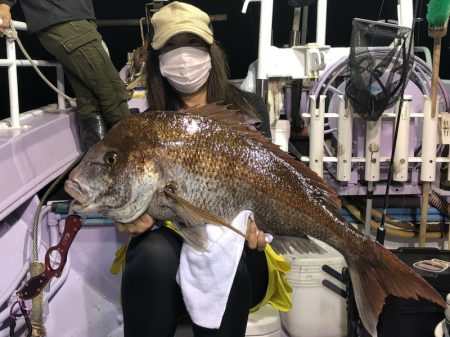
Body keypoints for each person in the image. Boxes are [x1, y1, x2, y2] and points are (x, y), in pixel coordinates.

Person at [111, 2, 291, 337]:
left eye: (193, 45)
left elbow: (269, 180)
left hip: (240, 247)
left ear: (212, 52)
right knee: (150, 255)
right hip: (172, 243)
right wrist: (130, 212)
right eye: (171, 47)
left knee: (230, 262)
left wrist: (259, 222)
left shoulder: (249, 109)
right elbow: (135, 192)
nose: (183, 57)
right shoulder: (150, 126)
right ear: (157, 62)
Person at [0, 0, 130, 151]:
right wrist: (4, 4)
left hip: (72, 19)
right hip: (64, 19)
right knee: (112, 89)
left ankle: (97, 165)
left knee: (90, 100)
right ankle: (137, 154)